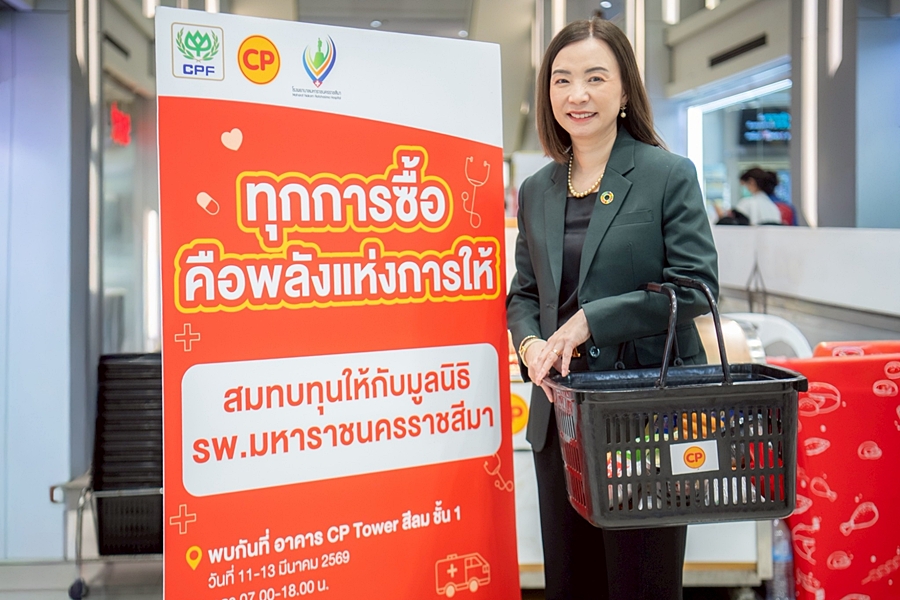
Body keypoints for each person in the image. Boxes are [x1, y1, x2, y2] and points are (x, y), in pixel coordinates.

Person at [506, 17, 719, 600]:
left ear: (625, 90)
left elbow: (696, 288)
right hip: (562, 419)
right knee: (570, 582)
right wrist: (530, 344)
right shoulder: (537, 189)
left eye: (595, 78)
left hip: (648, 419)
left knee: (642, 583)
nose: (577, 94)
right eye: (562, 80)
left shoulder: (666, 174)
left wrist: (591, 320)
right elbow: (524, 293)